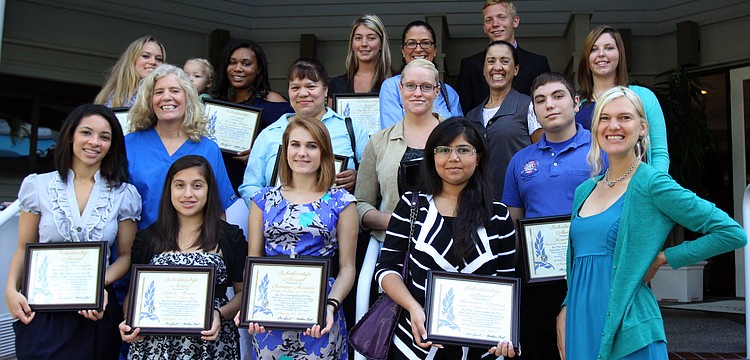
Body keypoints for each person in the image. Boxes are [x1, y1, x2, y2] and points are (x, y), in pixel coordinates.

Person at [557, 86, 746, 360]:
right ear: (595, 127)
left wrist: (663, 258)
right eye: (605, 118)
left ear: (643, 128)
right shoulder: (584, 190)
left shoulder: (652, 183)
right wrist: (566, 307)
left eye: (625, 117)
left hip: (629, 329)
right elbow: (577, 262)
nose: (614, 126)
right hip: (581, 323)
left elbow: (731, 233)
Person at [6, 104, 141, 359]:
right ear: (71, 136)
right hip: (42, 309)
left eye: (104, 137)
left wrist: (96, 285)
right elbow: (24, 247)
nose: (94, 142)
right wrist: (11, 290)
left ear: (112, 145)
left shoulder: (125, 195)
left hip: (95, 309)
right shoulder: (38, 186)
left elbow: (125, 256)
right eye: (86, 133)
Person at [375, 118, 517, 359]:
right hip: (415, 342)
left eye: (464, 150)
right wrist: (413, 308)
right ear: (432, 157)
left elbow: (506, 283)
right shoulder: (412, 205)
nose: (453, 158)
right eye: (444, 150)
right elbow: (387, 269)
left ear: (478, 157)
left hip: (481, 349)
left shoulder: (498, 215)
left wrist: (505, 332)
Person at [246, 118, 358, 359]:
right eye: (295, 145)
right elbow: (254, 261)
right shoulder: (262, 200)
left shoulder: (342, 202)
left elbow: (347, 268)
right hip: (270, 315)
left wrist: (330, 305)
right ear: (285, 149)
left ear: (324, 152)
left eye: (312, 146)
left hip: (320, 313)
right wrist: (251, 306)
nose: (302, 153)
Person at [502, 73, 593, 360]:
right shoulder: (520, 160)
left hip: (587, 270)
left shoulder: (600, 151)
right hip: (537, 279)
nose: (549, 105)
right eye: (540, 100)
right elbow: (512, 224)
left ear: (576, 103)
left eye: (558, 96)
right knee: (539, 348)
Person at [120, 155, 246, 360]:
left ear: (209, 190)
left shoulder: (229, 236)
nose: (188, 194)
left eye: (197, 185)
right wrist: (129, 321)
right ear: (169, 189)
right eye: (180, 185)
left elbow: (243, 293)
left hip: (211, 346)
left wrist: (219, 314)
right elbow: (134, 295)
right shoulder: (147, 238)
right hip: (154, 347)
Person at [353, 58, 444, 321]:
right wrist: (394, 222)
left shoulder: (455, 137)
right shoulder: (378, 142)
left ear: (437, 91)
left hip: (445, 250)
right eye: (411, 86)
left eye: (426, 87)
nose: (418, 93)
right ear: (400, 90)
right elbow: (361, 204)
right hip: (392, 253)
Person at [238, 57, 368, 202]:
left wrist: (358, 178)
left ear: (325, 90)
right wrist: (269, 210)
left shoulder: (351, 129)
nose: (303, 93)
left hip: (338, 222)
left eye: (311, 87)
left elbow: (372, 178)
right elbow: (250, 186)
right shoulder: (269, 134)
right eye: (295, 87)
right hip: (277, 223)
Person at [126, 64, 236, 231]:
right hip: (140, 249)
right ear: (149, 100)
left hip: (194, 250)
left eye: (175, 91)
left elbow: (218, 209)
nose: (167, 97)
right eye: (159, 92)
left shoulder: (208, 149)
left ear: (188, 98)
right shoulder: (129, 145)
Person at [575, 25, 669, 172]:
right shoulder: (576, 104)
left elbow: (659, 153)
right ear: (586, 59)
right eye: (594, 49)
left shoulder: (644, 97)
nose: (601, 54)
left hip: (633, 186)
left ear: (620, 54)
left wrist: (651, 188)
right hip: (588, 187)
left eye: (609, 48)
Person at [213, 39, 293, 192]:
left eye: (246, 63)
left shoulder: (274, 103)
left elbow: (289, 146)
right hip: (220, 185)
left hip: (257, 188)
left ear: (258, 69)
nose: (238, 68)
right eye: (232, 62)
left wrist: (258, 157)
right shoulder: (219, 105)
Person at [466, 40, 542, 199]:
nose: (497, 67)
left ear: (515, 69)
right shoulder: (471, 116)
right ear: (484, 69)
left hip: (519, 202)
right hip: (478, 203)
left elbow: (542, 152)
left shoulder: (528, 106)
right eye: (491, 61)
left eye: (505, 61)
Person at [456, 0, 550, 111]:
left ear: (515, 21)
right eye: (489, 20)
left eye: (501, 17)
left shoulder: (538, 64)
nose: (495, 24)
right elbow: (464, 112)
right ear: (484, 27)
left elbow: (546, 105)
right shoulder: (470, 65)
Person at [379, 20, 463, 129]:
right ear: (403, 51)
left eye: (425, 43)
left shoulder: (448, 92)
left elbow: (459, 133)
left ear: (435, 49)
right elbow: (392, 133)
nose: (418, 49)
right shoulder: (392, 86)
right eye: (411, 43)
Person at [329, 14, 393, 98]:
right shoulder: (337, 84)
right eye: (358, 38)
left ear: (381, 43)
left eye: (371, 38)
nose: (364, 44)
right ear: (352, 44)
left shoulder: (397, 82)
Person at [95, 35, 166, 108]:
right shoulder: (112, 96)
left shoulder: (166, 95)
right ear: (132, 59)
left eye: (158, 59)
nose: (153, 62)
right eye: (146, 56)